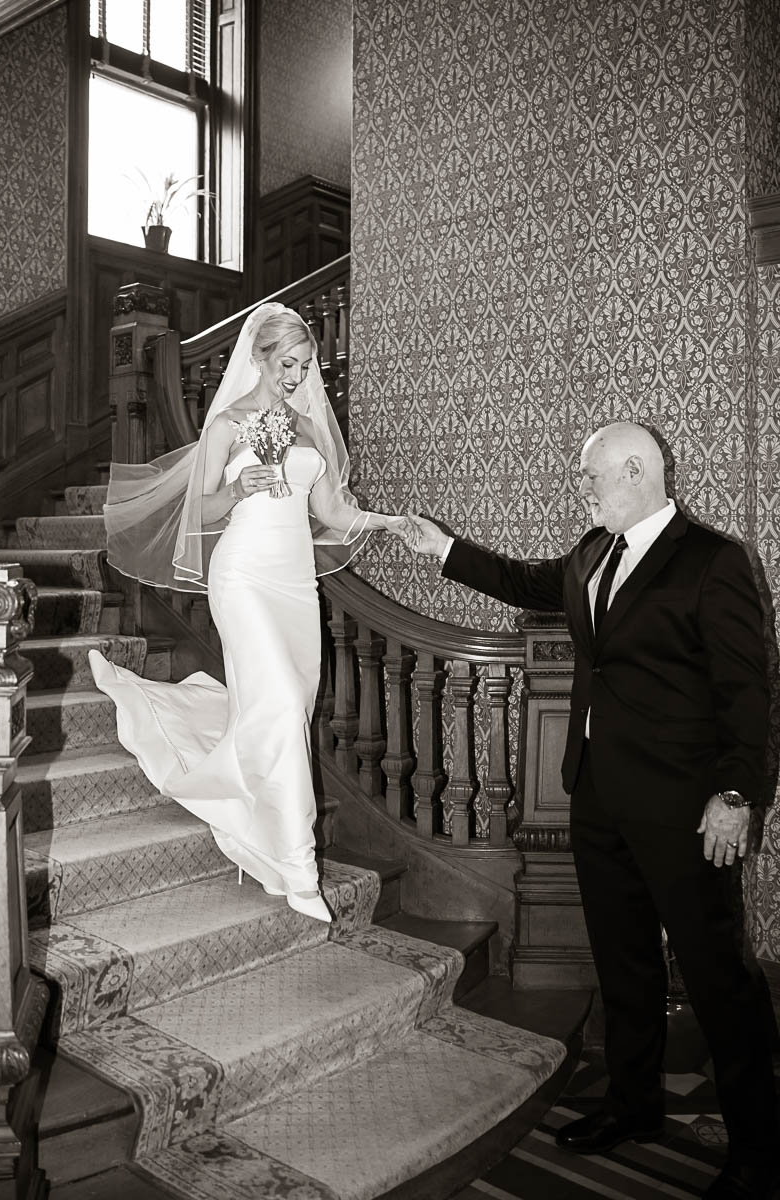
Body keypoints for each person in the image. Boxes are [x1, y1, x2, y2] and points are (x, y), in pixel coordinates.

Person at [403, 422, 778, 1199]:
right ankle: (634, 1106)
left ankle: (758, 1146)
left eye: (591, 477)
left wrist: (736, 795)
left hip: (686, 808)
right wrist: (443, 549)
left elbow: (750, 693)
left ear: (635, 472)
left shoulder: (713, 561)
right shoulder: (591, 551)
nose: (583, 489)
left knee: (717, 977)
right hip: (599, 796)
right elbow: (527, 582)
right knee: (622, 960)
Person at [90, 302, 411, 923]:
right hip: (241, 575)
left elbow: (333, 513)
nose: (297, 377)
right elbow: (198, 510)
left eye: (306, 365)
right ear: (260, 359)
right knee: (282, 705)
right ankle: (298, 866)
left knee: (287, 710)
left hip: (295, 585)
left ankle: (262, 833)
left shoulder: (310, 427)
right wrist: (238, 488)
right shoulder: (227, 424)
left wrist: (392, 523)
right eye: (287, 364)